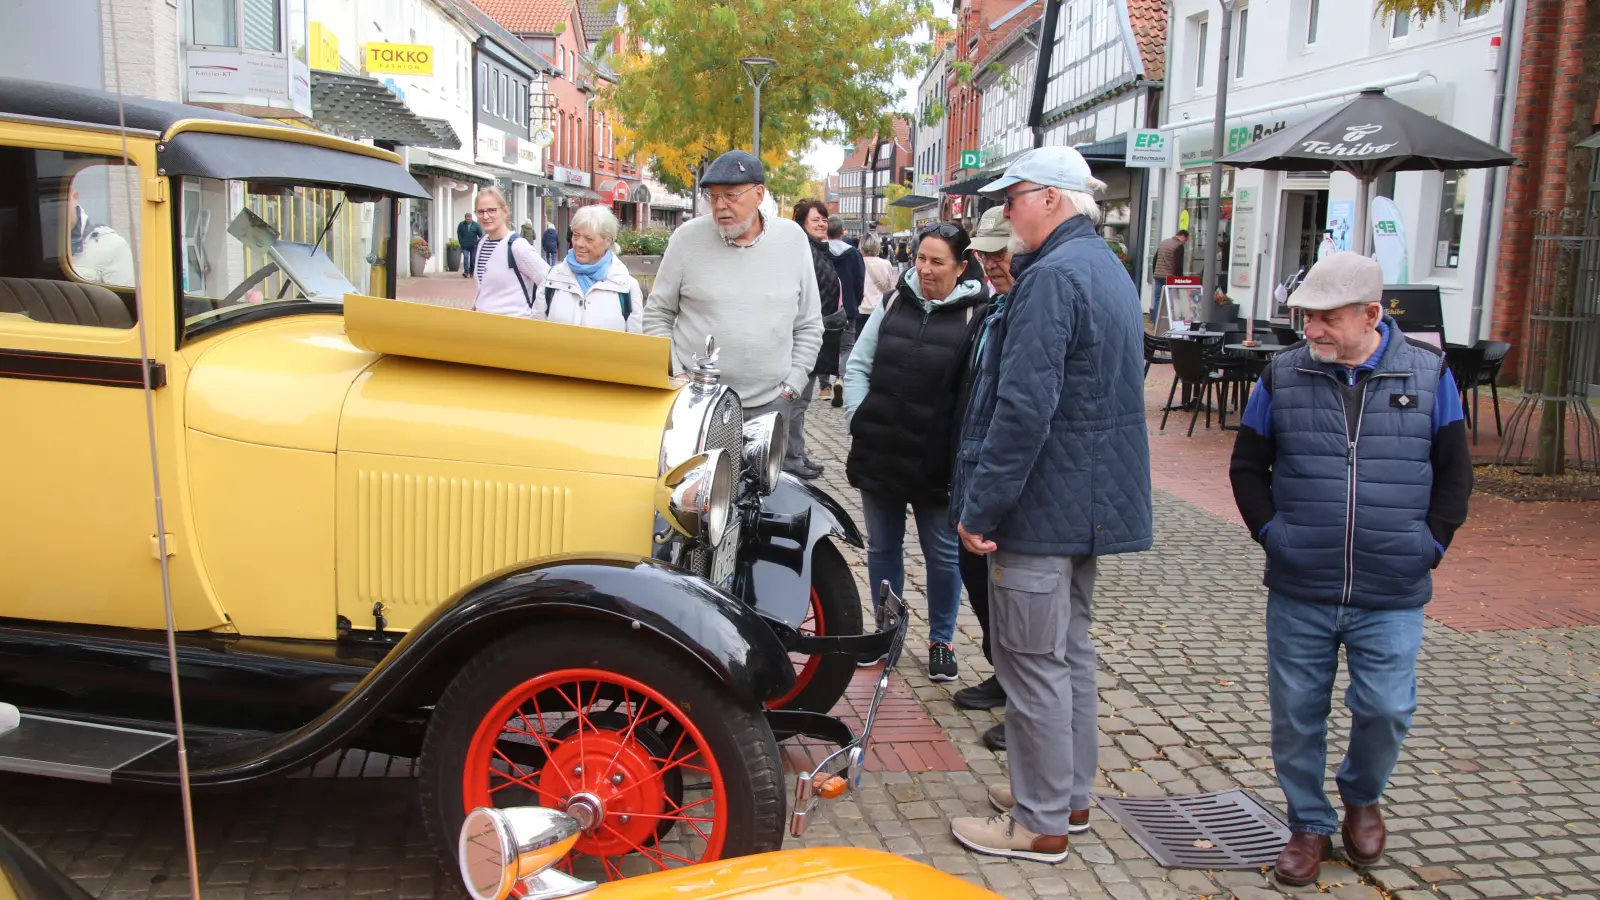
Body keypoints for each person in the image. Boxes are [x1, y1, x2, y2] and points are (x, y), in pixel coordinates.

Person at [1228, 251, 1472, 887]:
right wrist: (1273, 536)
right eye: (1306, 318)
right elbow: (1247, 468)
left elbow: (1455, 475)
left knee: (1386, 708)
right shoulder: (1283, 375)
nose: (1311, 332)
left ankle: (1362, 795)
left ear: (1371, 314)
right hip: (1301, 583)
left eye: (1325, 319)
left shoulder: (1429, 371)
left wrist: (1430, 546)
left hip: (1393, 586)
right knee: (1296, 712)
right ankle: (1308, 822)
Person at [948, 146, 1152, 863]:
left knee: (1031, 661)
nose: (1006, 210)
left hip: (1041, 507)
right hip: (1086, 503)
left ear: (1054, 198)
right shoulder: (1105, 268)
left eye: (1016, 196)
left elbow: (1023, 408)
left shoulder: (1053, 277)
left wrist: (981, 506)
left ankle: (1039, 822)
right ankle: (1067, 794)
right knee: (1067, 654)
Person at [844, 221, 988, 683]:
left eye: (937, 261)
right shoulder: (894, 301)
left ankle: (942, 640)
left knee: (942, 555)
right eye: (920, 258)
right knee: (883, 548)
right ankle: (887, 632)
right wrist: (858, 418)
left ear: (962, 266)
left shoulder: (977, 314)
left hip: (937, 460)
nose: (925, 269)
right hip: (881, 449)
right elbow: (859, 366)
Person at [642, 150, 822, 425]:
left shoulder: (792, 239)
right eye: (713, 196)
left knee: (766, 471)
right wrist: (677, 375)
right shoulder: (687, 240)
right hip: (697, 404)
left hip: (771, 404)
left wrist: (792, 386)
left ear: (759, 194)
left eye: (731, 195)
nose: (720, 205)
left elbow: (809, 322)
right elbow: (658, 314)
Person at [949, 207, 1021, 751]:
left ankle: (1025, 705)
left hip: (1006, 480)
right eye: (985, 252)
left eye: (1001, 251)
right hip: (972, 468)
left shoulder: (1031, 306)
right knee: (979, 581)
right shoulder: (994, 306)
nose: (991, 262)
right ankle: (1004, 675)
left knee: (1015, 595)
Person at [789, 199, 841, 479]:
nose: (822, 224)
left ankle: (796, 451)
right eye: (815, 220)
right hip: (803, 336)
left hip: (817, 334)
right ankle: (790, 457)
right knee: (796, 401)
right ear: (802, 225)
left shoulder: (820, 250)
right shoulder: (805, 251)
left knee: (802, 401)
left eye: (824, 219)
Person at [537, 204, 643, 332]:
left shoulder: (627, 287)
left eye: (589, 239)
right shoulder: (552, 279)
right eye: (576, 236)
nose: (579, 244)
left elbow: (635, 345)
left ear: (608, 241)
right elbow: (534, 335)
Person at [470, 187, 549, 318]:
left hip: (513, 326)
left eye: (492, 210)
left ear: (505, 211)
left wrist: (536, 314)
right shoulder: (482, 243)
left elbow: (547, 279)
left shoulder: (517, 246)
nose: (485, 216)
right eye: (480, 211)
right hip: (484, 327)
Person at [851, 234, 898, 409]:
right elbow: (888, 286)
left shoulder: (857, 261)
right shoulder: (885, 264)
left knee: (858, 347)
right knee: (877, 348)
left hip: (861, 308)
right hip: (878, 309)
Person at [826, 216, 866, 405]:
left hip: (823, 308)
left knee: (822, 346)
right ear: (843, 232)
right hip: (848, 306)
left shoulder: (820, 251)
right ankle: (841, 379)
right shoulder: (853, 254)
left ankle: (824, 386)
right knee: (846, 346)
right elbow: (859, 281)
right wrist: (855, 302)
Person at [1151, 228, 1188, 319]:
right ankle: (1170, 321)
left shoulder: (1163, 242)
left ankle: (1156, 321)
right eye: (1185, 240)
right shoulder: (1179, 246)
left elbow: (1155, 259)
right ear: (1182, 236)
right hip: (1169, 277)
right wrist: (1180, 280)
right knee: (1171, 301)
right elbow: (1178, 264)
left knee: (1158, 299)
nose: (1185, 243)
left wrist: (1155, 273)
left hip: (1158, 276)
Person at [456, 213, 483, 278]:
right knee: (465, 258)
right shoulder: (461, 225)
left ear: (471, 218)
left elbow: (481, 235)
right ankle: (466, 272)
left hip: (473, 245)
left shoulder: (476, 225)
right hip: (465, 245)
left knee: (473, 259)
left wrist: (477, 242)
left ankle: (471, 272)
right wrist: (461, 242)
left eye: (469, 219)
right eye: (467, 219)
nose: (468, 220)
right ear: (465, 218)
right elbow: (459, 234)